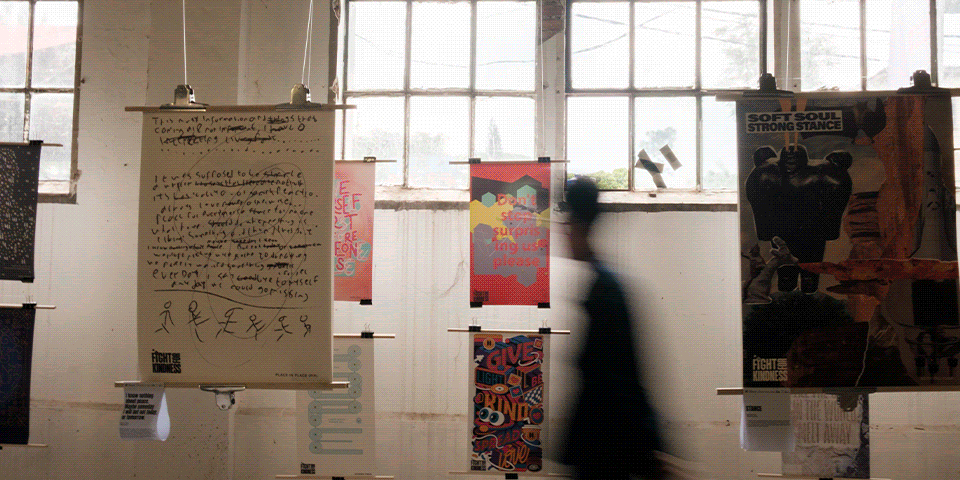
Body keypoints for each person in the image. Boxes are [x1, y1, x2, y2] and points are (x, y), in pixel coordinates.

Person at [559, 176, 666, 480]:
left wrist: (647, 449)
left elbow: (620, 378)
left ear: (577, 228)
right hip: (606, 446)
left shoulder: (605, 290)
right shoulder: (603, 285)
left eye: (567, 226)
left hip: (604, 448)